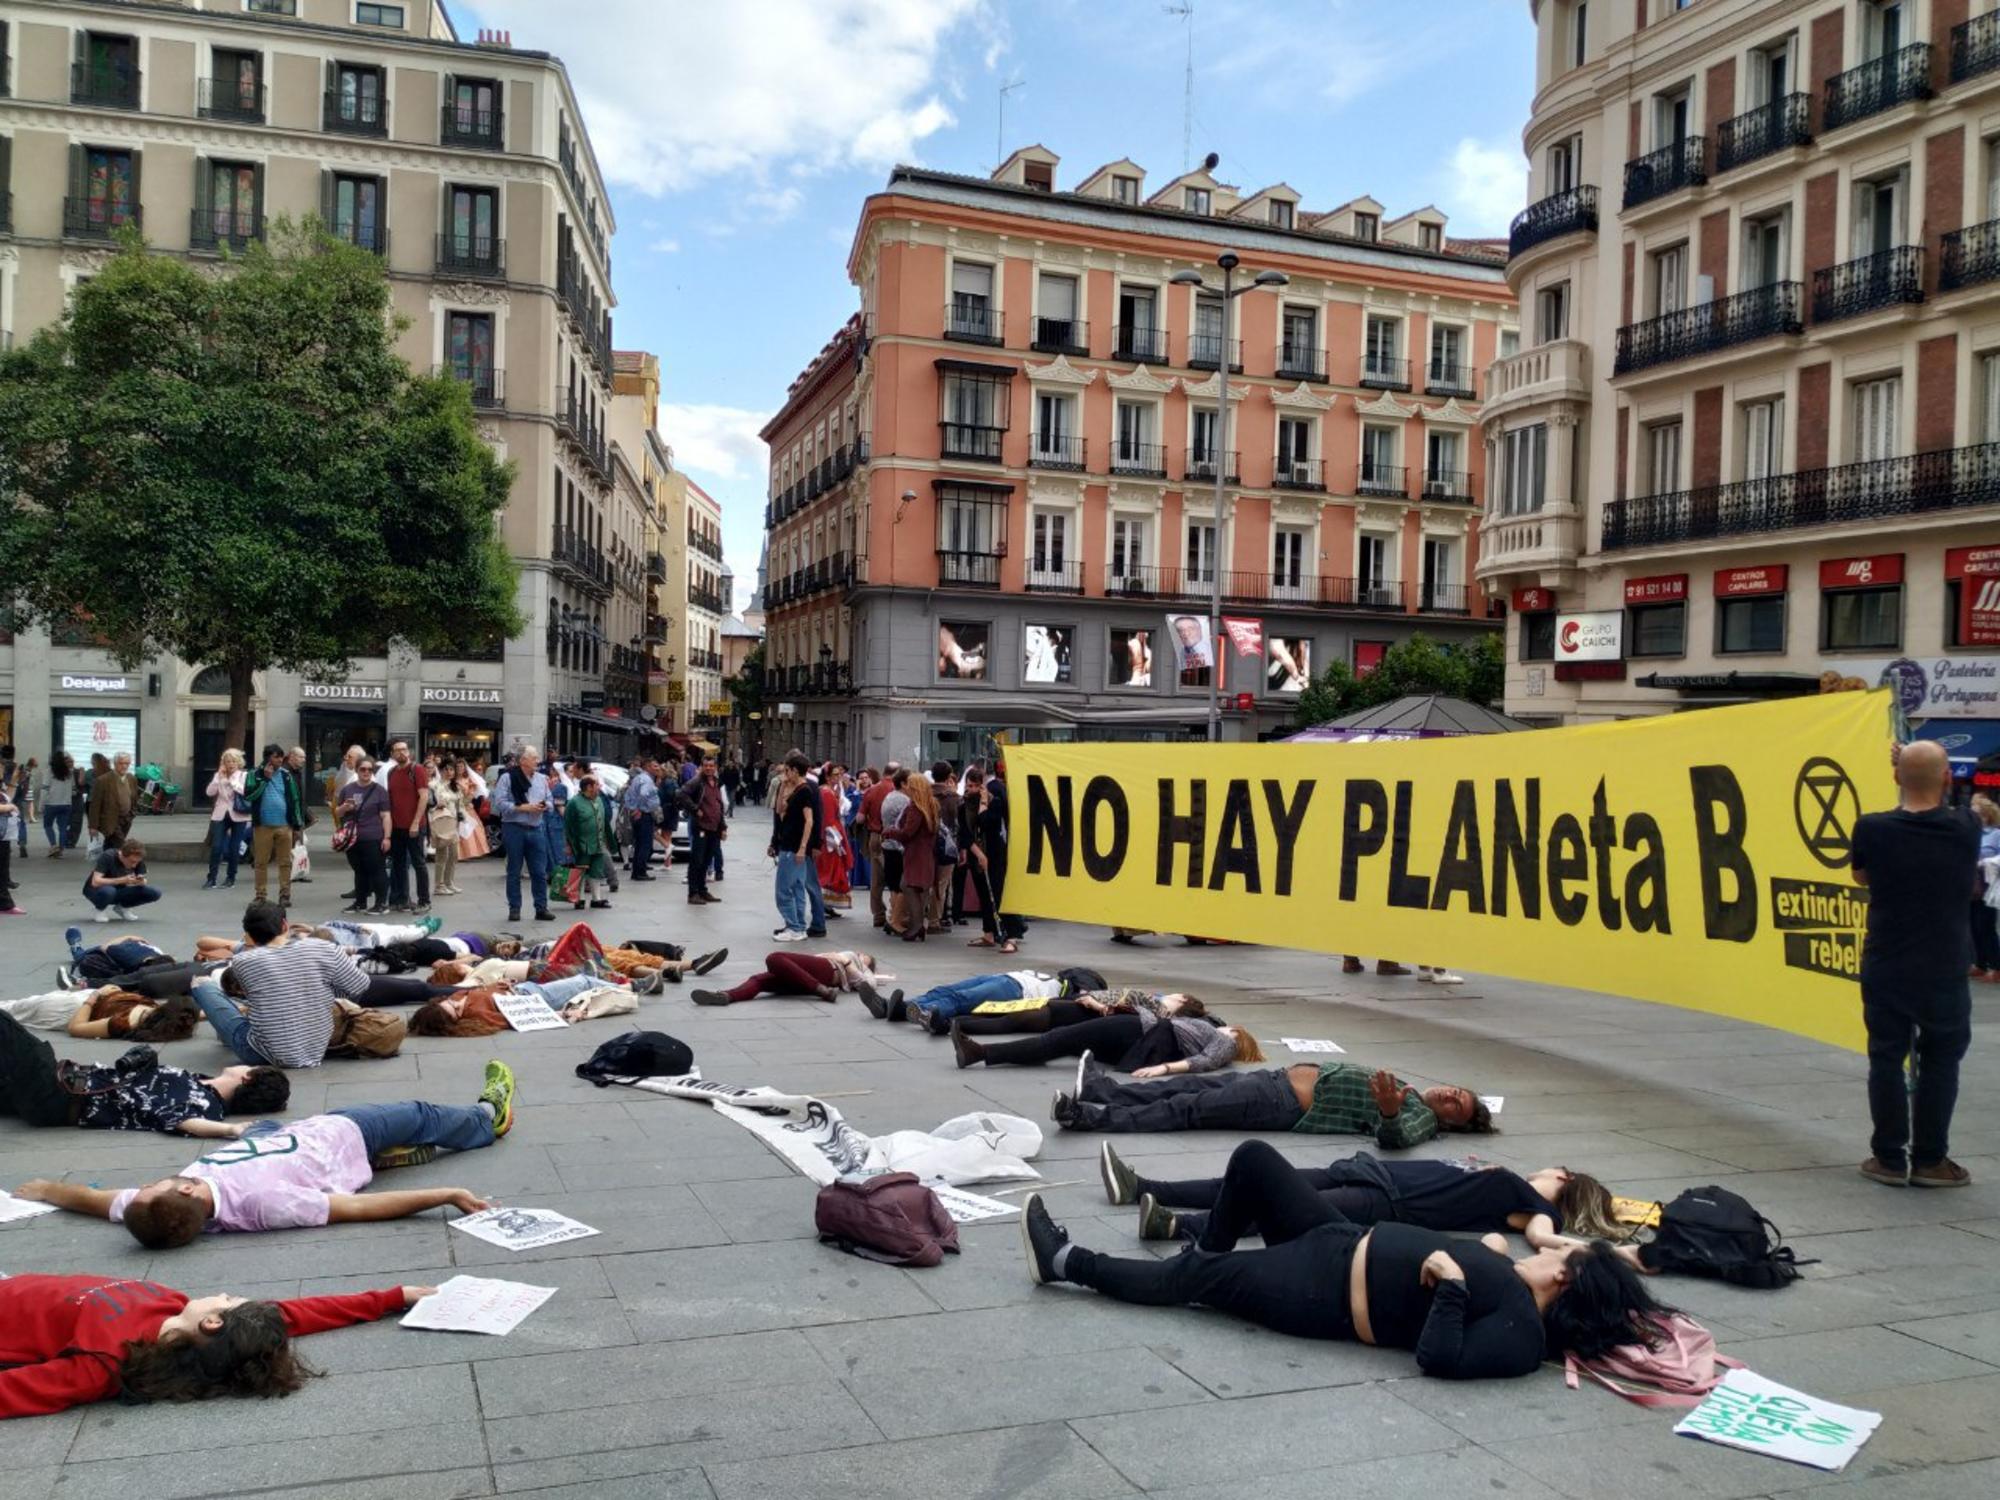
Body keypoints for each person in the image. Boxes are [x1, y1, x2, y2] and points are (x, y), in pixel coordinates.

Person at [1017, 1139, 1671, 1381]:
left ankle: (1067, 1261)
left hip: (1321, 1291)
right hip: (1334, 1237)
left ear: (1562, 1276)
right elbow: (1502, 1251)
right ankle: (1208, 1254)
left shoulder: (1522, 1337)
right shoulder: (1510, 1276)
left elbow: (1440, 1358)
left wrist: (1448, 1283)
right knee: (1252, 1162)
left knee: (1192, 1279)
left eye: (1564, 1256)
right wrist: (1487, 1252)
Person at [11, 1063, 517, 1248]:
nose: (143, 1186)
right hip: (341, 1137)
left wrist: (47, 1190)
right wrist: (447, 1194)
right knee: (420, 1110)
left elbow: (93, 1201)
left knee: (263, 1126)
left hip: (271, 1142)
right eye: (154, 1185)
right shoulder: (268, 1207)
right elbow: (357, 1210)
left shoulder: (159, 1212)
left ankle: (380, 1160)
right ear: (184, 1189)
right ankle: (484, 1119)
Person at [0, 1274, 437, 1418]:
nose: (225, 1294)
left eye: (228, 1301)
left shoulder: (104, 1363)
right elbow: (299, 1313)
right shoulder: (173, 1306)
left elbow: (14, 1392)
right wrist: (391, 1298)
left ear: (212, 1322)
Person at [1851, 739, 1981, 1188]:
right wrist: (1918, 766)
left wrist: (1905, 768)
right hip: (1944, 965)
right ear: (1948, 779)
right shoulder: (1966, 827)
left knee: (1886, 1057)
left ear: (1894, 778)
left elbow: (1863, 875)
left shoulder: (1870, 828)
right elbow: (1937, 801)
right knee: (1941, 1060)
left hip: (1887, 961)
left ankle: (1887, 1158)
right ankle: (1931, 1161)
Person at [1098, 1143, 1624, 1251]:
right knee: (1243, 1178)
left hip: (1385, 1204)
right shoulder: (1512, 1183)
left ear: (1566, 1184)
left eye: (1560, 1172)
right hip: (1366, 1172)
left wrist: (1600, 1249)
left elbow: (1542, 1236)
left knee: (1270, 1203)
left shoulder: (1537, 1206)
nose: (1551, 1168)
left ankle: (1173, 1225)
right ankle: (1142, 1189)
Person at [1050, 1058, 1494, 1142]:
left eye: (1457, 1105)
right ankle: (1102, 1090)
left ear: (1452, 1124)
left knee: (1186, 1108)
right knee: (1185, 1089)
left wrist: (1390, 1111)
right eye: (1456, 1091)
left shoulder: (1423, 1120)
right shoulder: (1416, 1094)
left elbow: (1395, 1137)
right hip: (1277, 1080)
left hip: (1281, 1102)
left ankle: (1091, 1116)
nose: (1449, 1097)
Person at [0, 1009, 290, 1137]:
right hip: (59, 1088)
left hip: (57, 1093)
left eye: (249, 1067)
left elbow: (186, 1123)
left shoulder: (207, 1106)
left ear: (246, 1077)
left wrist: (231, 1129)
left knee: (6, 1027)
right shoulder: (200, 1082)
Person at [192, 901, 371, 1069]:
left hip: (261, 1054)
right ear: (285, 925)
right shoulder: (323, 948)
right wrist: (325, 990)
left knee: (202, 985)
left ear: (249, 935)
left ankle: (226, 1031)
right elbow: (361, 984)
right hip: (316, 1049)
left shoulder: (243, 961)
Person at [862, 965, 1105, 1028]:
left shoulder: (1085, 985)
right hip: (1006, 978)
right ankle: (892, 1007)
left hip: (1016, 989)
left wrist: (1090, 994)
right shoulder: (1063, 979)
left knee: (959, 999)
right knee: (947, 991)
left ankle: (910, 1011)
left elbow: (1084, 992)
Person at [1, 986, 201, 1043]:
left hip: (67, 1008)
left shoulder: (123, 1023)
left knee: (10, 1010)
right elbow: (190, 1015)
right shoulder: (153, 1014)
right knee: (12, 1007)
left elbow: (76, 1028)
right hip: (80, 998)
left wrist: (95, 996)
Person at [693, 948, 889, 1006]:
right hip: (805, 974)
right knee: (758, 980)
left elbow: (869, 984)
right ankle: (726, 996)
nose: (862, 953)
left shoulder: (857, 963)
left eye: (866, 956)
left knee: (774, 957)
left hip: (829, 970)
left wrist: (846, 962)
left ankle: (821, 990)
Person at [243, 743, 308, 907]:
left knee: (285, 862)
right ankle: (260, 895)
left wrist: (298, 825)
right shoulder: (254, 774)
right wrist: (265, 779)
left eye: (281, 757)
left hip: (284, 825)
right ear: (267, 758)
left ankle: (285, 895)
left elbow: (294, 800)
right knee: (261, 862)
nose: (280, 760)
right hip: (263, 826)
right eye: (276, 757)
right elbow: (249, 796)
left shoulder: (286, 775)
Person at [770, 752, 819, 941]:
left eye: (787, 770)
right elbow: (779, 811)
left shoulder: (803, 791)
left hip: (793, 846)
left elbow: (809, 821)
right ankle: (799, 926)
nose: (785, 774)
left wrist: (802, 847)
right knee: (797, 888)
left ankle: (794, 926)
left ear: (794, 770)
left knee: (784, 889)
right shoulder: (797, 789)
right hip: (790, 844)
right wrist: (783, 785)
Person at [336, 756, 392, 914]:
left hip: (373, 836)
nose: (366, 772)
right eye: (363, 769)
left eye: (369, 769)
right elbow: (338, 812)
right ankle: (360, 902)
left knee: (377, 870)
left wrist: (387, 837)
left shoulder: (379, 791)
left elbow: (386, 816)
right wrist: (345, 808)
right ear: (357, 770)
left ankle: (381, 903)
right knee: (359, 871)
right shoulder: (348, 789)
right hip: (352, 838)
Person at [382, 740, 432, 915]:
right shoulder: (391, 772)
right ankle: (403, 900)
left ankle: (424, 900)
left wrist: (416, 822)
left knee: (419, 863)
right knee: (399, 864)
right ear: (392, 754)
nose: (402, 753)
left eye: (404, 749)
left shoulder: (417, 770)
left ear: (409, 752)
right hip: (397, 827)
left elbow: (424, 797)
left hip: (414, 827)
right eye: (397, 750)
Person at [892, 771, 939, 943]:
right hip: (926, 852)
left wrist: (890, 832)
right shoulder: (932, 805)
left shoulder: (916, 808)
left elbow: (907, 833)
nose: (907, 789)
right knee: (920, 889)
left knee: (908, 886)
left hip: (915, 852)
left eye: (910, 786)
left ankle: (916, 926)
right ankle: (918, 926)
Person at [562, 771, 613, 911]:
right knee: (581, 872)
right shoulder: (574, 802)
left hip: (597, 843)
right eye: (597, 784)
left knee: (596, 872)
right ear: (589, 787)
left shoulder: (599, 800)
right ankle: (580, 899)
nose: (600, 786)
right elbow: (568, 824)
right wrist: (568, 844)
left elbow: (604, 822)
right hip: (581, 844)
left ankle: (597, 899)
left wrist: (608, 840)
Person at [203, 748, 251, 891]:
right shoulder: (218, 775)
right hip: (220, 814)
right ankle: (211, 878)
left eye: (233, 761)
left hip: (239, 814)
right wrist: (219, 778)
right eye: (227, 761)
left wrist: (230, 781)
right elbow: (209, 792)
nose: (230, 764)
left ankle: (231, 878)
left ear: (238, 763)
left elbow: (244, 791)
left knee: (234, 847)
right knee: (216, 846)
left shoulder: (244, 775)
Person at [860, 759, 899, 929]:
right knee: (894, 876)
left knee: (876, 879)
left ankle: (878, 914)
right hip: (892, 837)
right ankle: (895, 914)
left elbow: (860, 818)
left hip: (874, 836)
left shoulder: (871, 791)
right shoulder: (897, 791)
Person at [83, 839, 160, 923]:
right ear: (122, 855)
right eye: (132, 862)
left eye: (137, 862)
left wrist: (139, 881)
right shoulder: (108, 856)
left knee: (154, 893)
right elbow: (95, 882)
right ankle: (99, 909)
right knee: (109, 891)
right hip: (96, 890)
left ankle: (123, 907)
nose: (134, 865)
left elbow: (143, 881)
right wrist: (121, 880)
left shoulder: (137, 859)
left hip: (118, 890)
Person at [683, 758, 727, 906]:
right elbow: (681, 794)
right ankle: (693, 892)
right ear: (702, 767)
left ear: (715, 767)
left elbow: (718, 806)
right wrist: (695, 809)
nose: (709, 768)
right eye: (706, 766)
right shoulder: (697, 781)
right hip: (701, 827)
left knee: (707, 860)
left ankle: (702, 890)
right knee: (697, 860)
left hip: (713, 828)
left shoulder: (716, 782)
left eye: (711, 765)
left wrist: (723, 827)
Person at [1970, 793, 2000, 982]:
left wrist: (1984, 862)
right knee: (1972, 924)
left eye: (1977, 814)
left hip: (1988, 884)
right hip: (1971, 883)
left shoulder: (1996, 834)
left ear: (1987, 816)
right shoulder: (1970, 833)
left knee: (1986, 926)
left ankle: (1997, 966)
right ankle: (1980, 963)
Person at [928, 761, 961, 931]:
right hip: (948, 845)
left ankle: (922, 916)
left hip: (926, 844)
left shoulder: (925, 795)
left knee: (926, 882)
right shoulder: (954, 798)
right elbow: (959, 823)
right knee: (941, 883)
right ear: (949, 777)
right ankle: (934, 919)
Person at [88, 751, 141, 847]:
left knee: (110, 845)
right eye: (121, 763)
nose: (124, 766)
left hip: (126, 819)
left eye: (127, 763)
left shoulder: (131, 779)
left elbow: (134, 798)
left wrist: (132, 814)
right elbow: (95, 805)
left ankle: (105, 861)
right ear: (115, 764)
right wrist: (93, 826)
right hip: (110, 820)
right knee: (121, 845)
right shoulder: (103, 780)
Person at [454, 760, 490, 865]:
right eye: (458, 767)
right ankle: (458, 853)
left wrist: (465, 802)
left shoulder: (468, 780)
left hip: (466, 806)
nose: (460, 769)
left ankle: (471, 852)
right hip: (454, 806)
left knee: (471, 829)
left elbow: (471, 793)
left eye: (461, 767)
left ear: (465, 768)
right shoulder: (453, 780)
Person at [0, 774, 19, 916]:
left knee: (3, 870)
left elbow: (7, 796)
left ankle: (5, 904)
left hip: (4, 835)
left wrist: (14, 781)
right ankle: (6, 904)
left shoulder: (2, 786)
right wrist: (8, 807)